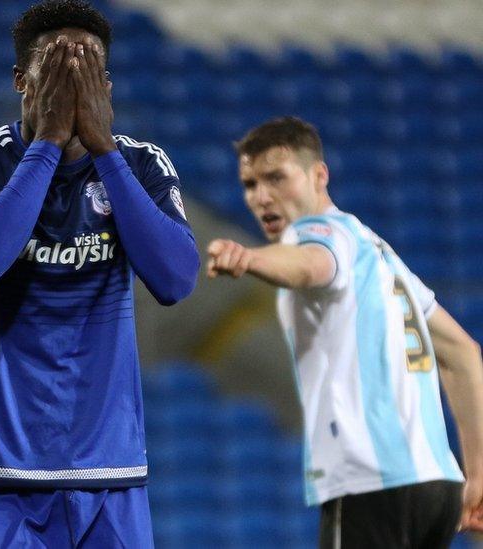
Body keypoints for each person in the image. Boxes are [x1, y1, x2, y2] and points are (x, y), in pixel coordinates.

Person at [0, 1, 200, 546]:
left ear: (107, 86)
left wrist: (104, 149)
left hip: (110, 472)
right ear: (21, 82)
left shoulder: (141, 162)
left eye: (88, 70)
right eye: (57, 66)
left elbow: (175, 280)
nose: (74, 82)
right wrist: (49, 144)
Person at [206, 116, 483, 547]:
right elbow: (463, 353)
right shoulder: (377, 251)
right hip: (437, 486)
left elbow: (312, 266)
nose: (262, 197)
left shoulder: (315, 233)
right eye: (250, 184)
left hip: (372, 481)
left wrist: (250, 259)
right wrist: (478, 475)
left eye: (276, 177)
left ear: (319, 175)